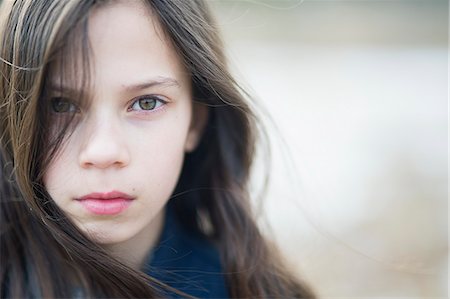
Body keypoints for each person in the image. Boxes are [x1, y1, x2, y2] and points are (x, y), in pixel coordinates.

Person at [0, 0, 315, 298]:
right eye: (60, 105)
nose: (104, 151)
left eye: (146, 103)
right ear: (12, 115)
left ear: (195, 122)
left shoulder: (256, 291)